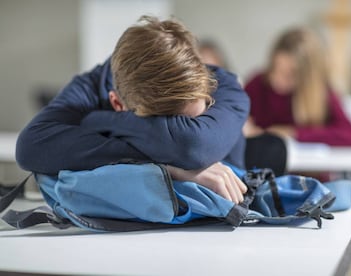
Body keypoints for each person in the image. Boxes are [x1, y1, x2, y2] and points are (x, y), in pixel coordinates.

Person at [16, 16, 249, 204]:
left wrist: (101, 121)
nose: (176, 134)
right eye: (163, 126)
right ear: (118, 104)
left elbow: (192, 146)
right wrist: (168, 168)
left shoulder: (223, 85)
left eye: (194, 120)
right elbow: (30, 147)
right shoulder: (90, 87)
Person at [243, 28, 351, 173]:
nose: (278, 80)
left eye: (290, 74)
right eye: (276, 69)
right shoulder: (257, 84)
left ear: (308, 76)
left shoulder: (321, 92)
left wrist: (294, 133)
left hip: (310, 178)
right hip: (263, 176)